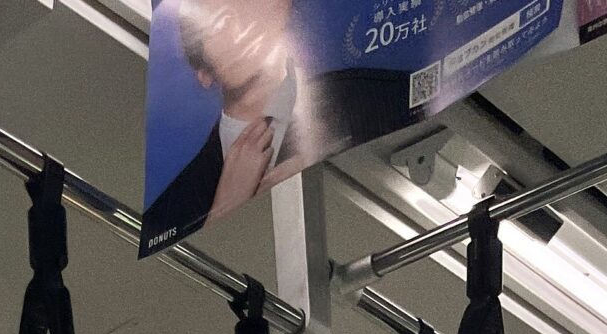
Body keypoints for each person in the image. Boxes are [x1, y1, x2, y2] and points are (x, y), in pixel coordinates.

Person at [142, 0, 409, 253]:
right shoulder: (165, 216)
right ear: (203, 73)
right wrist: (225, 209)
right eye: (215, 24)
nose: (238, 27)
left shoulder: (387, 97)